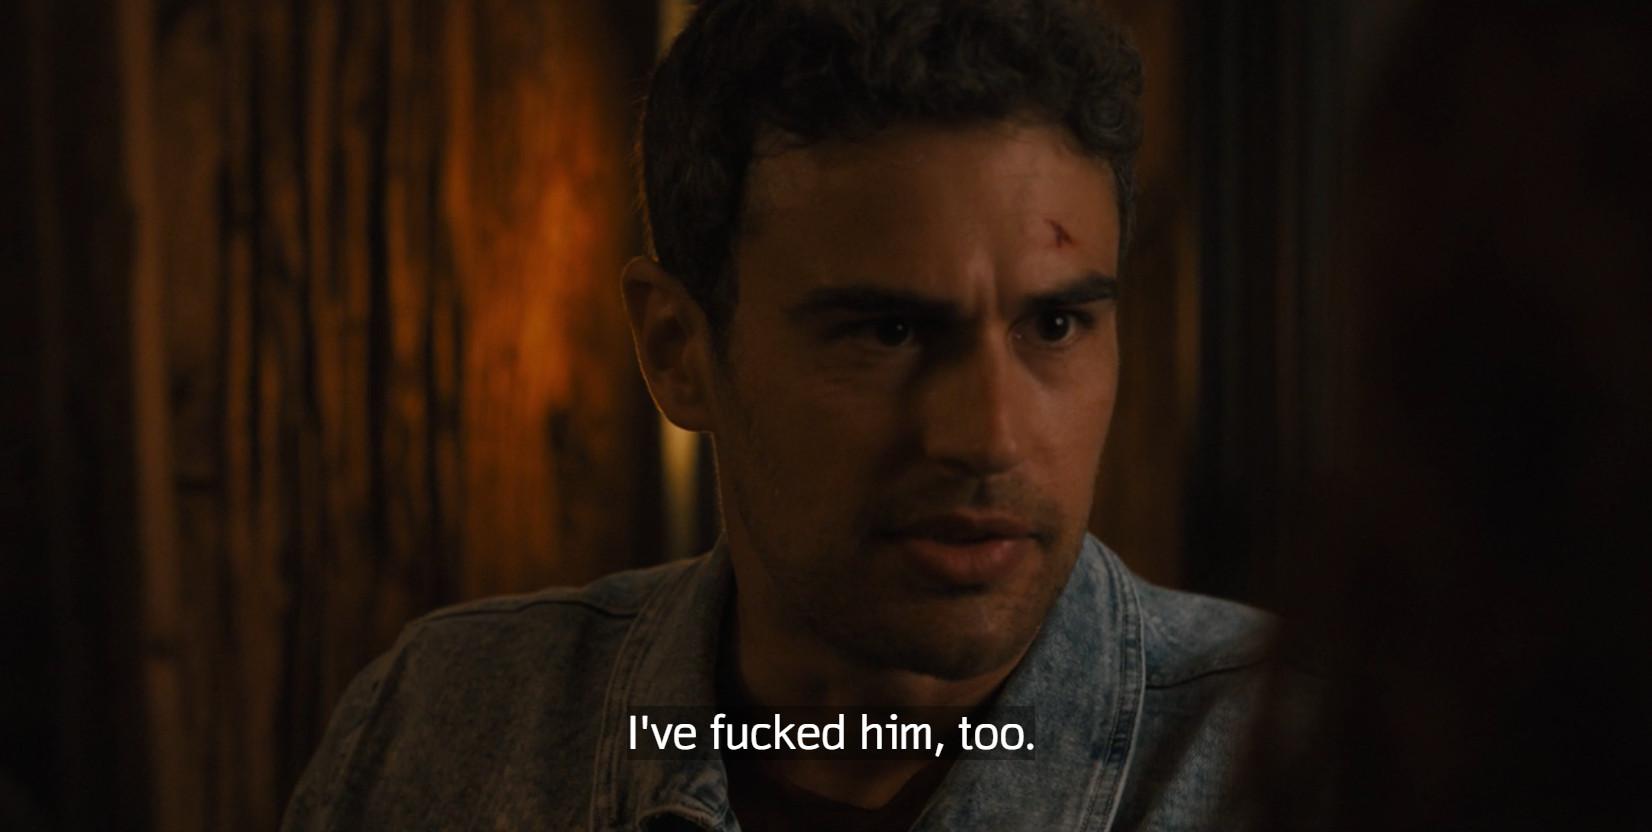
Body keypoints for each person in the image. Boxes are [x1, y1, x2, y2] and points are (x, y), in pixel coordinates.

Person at [283, 1, 1274, 829]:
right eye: (888, 331)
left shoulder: (1291, 758)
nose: (988, 437)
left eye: (1054, 324)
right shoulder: (444, 726)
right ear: (677, 350)